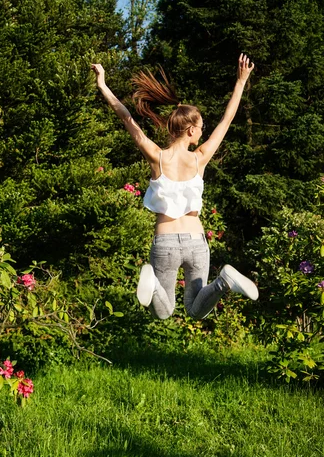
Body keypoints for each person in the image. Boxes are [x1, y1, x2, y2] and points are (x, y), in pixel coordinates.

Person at [91, 55, 258, 320]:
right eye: (201, 127)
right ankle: (224, 281)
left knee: (165, 310)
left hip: (165, 242)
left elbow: (127, 119)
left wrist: (103, 84)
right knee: (195, 310)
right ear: (191, 130)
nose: (203, 132)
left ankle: (152, 282)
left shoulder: (157, 157)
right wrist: (240, 82)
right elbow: (226, 121)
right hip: (196, 242)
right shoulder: (199, 158)